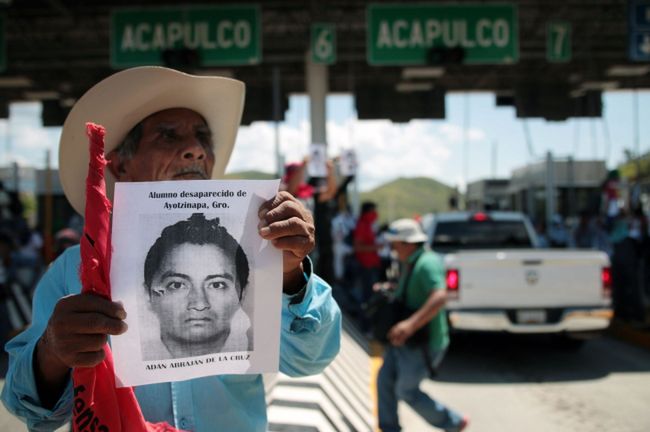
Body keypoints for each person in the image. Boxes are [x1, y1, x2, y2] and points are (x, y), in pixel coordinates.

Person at [1, 66, 341, 431]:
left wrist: (291, 276)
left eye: (201, 137)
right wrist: (52, 352)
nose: (195, 150)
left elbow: (310, 359)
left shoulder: (259, 251)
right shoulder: (72, 272)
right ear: (119, 165)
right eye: (167, 135)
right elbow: (32, 411)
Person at [377, 218, 468, 432]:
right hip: (404, 340)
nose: (392, 248)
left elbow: (439, 296)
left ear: (408, 244)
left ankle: (453, 422)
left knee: (406, 391)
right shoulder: (411, 261)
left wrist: (409, 325)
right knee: (385, 382)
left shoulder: (427, 263)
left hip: (421, 342)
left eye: (395, 243)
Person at [143, 213, 251, 359]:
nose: (199, 304)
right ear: (147, 295)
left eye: (217, 284)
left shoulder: (262, 346)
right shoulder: (116, 350)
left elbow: (290, 366)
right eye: (177, 285)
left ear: (242, 294)